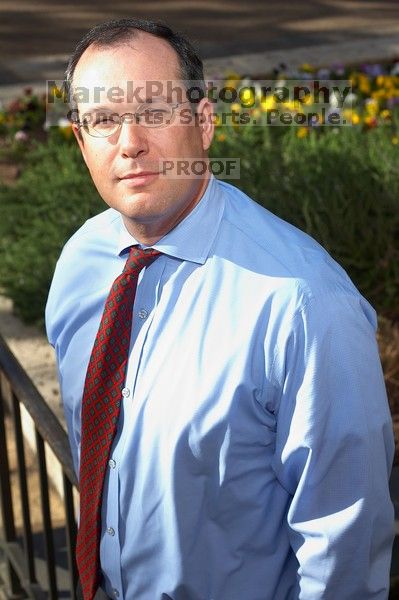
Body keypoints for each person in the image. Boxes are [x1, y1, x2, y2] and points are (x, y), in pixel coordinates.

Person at [45, 17, 394, 600]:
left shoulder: (303, 305)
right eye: (104, 120)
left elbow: (343, 548)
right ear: (82, 142)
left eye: (154, 110)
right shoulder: (82, 261)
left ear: (203, 123)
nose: (129, 142)